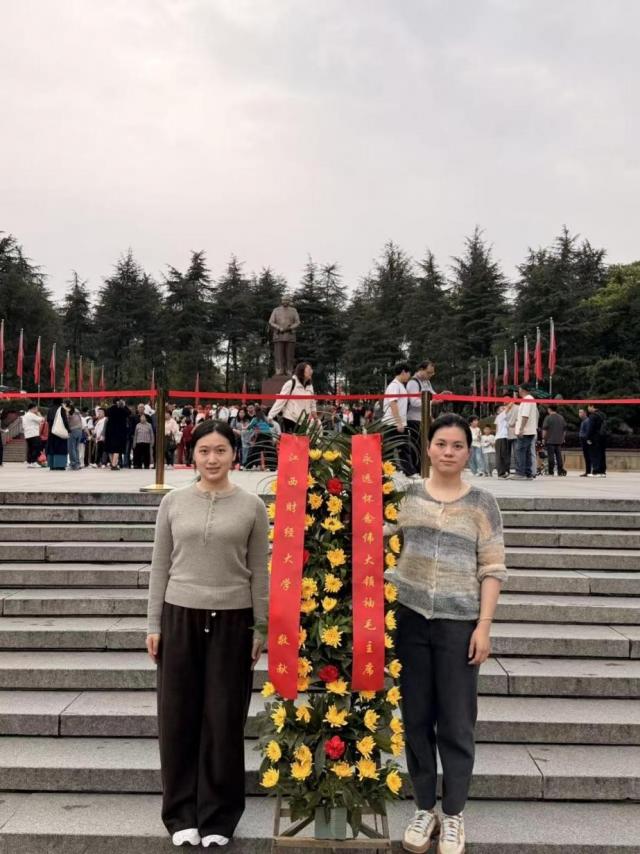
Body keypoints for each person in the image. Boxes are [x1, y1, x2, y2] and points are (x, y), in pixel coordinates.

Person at [146, 420, 269, 848]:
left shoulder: (252, 506)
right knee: (177, 717)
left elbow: (259, 571)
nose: (212, 459)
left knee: (224, 718)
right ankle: (181, 812)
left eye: (220, 450)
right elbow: (160, 565)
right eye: (204, 451)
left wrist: (260, 627)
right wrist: (153, 624)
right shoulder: (173, 503)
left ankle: (219, 816)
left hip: (234, 620)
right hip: (179, 615)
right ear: (192, 455)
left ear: (235, 454)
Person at [388, 413, 506, 854]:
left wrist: (484, 626)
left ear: (468, 451)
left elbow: (492, 567)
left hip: (460, 624)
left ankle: (454, 813)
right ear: (429, 447)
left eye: (457, 445)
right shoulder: (406, 496)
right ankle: (424, 808)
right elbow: (377, 540)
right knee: (416, 718)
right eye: (441, 444)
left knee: (457, 721)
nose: (448, 452)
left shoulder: (482, 504)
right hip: (410, 619)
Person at [405, 361, 436, 477]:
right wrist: (432, 402)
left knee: (424, 446)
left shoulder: (427, 382)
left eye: (432, 373)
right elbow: (414, 402)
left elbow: (432, 395)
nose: (430, 375)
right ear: (421, 369)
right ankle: (416, 472)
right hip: (414, 419)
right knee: (417, 447)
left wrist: (441, 395)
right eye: (428, 372)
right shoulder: (413, 383)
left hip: (425, 418)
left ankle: (422, 471)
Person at [268, 361, 317, 432]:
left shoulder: (310, 387)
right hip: (290, 419)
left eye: (311, 370)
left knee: (303, 439)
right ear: (301, 371)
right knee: (291, 439)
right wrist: (271, 416)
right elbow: (280, 401)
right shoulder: (290, 384)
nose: (311, 372)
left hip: (304, 421)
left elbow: (312, 403)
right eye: (309, 369)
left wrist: (315, 417)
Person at [382, 362, 413, 477]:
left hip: (398, 423)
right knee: (390, 451)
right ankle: (388, 475)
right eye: (409, 373)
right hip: (392, 424)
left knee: (404, 449)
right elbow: (393, 403)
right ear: (404, 372)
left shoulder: (400, 385)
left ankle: (408, 473)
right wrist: (399, 422)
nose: (409, 376)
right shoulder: (394, 385)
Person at [268, 296, 301, 376]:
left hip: (290, 335)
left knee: (290, 355)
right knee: (278, 354)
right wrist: (278, 327)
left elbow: (297, 322)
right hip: (278, 335)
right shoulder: (276, 310)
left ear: (289, 301)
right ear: (281, 301)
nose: (285, 301)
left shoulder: (293, 310)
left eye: (287, 300)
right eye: (284, 300)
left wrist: (290, 327)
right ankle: (279, 369)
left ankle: (289, 370)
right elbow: (271, 322)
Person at [514, 386, 539, 479]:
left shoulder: (527, 399)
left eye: (519, 389)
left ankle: (520, 473)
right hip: (529, 430)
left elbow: (525, 415)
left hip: (525, 431)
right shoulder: (530, 399)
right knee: (527, 452)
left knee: (520, 451)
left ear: (522, 390)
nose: (518, 391)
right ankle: (528, 473)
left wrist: (521, 429)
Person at [104, 399, 130, 470]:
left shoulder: (110, 410)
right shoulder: (122, 410)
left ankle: (112, 463)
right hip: (119, 432)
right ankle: (114, 464)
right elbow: (129, 413)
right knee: (117, 449)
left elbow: (106, 413)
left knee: (110, 449)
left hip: (109, 432)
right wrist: (124, 406)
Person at [542, 404, 567, 476]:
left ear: (549, 409)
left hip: (550, 440)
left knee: (551, 456)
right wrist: (563, 438)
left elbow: (545, 429)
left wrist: (543, 438)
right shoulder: (561, 418)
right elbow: (564, 429)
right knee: (559, 456)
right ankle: (560, 471)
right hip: (559, 440)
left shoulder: (548, 418)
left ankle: (551, 471)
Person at [46, 401, 70, 470]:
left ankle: (52, 465)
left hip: (51, 432)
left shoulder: (50, 409)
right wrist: (68, 430)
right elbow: (65, 421)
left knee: (51, 448)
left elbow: (47, 420)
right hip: (60, 432)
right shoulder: (61, 409)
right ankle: (59, 465)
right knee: (60, 448)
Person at [586, 404, 607, 477]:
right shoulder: (603, 414)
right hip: (603, 437)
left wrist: (588, 438)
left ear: (592, 406)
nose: (588, 408)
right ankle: (602, 471)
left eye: (588, 407)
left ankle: (596, 471)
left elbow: (590, 428)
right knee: (602, 454)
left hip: (594, 438)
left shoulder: (593, 416)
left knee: (594, 454)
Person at [22, 403, 44, 468]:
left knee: (31, 449)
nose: (37, 410)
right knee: (37, 448)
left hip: (28, 435)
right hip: (34, 434)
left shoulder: (25, 415)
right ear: (33, 408)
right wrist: (39, 414)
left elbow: (39, 422)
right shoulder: (31, 415)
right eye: (36, 408)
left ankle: (30, 462)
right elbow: (42, 419)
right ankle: (33, 462)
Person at [66, 402, 84, 471]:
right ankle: (78, 464)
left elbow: (66, 422)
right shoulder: (77, 411)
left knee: (71, 448)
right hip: (79, 430)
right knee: (76, 448)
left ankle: (73, 464)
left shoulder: (69, 412)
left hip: (73, 430)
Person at [494, 405, 510, 478]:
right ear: (498, 411)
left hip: (503, 437)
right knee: (501, 456)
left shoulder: (504, 417)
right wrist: (513, 400)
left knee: (504, 456)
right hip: (501, 438)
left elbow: (497, 428)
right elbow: (508, 407)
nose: (504, 408)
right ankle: (501, 473)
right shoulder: (500, 416)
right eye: (502, 408)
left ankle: (504, 471)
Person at [578, 408, 591, 477]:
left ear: (585, 413)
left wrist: (587, 439)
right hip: (583, 440)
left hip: (585, 440)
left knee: (587, 456)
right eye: (579, 412)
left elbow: (587, 432)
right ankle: (588, 471)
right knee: (586, 456)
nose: (579, 414)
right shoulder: (583, 421)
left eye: (581, 412)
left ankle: (588, 471)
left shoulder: (587, 421)